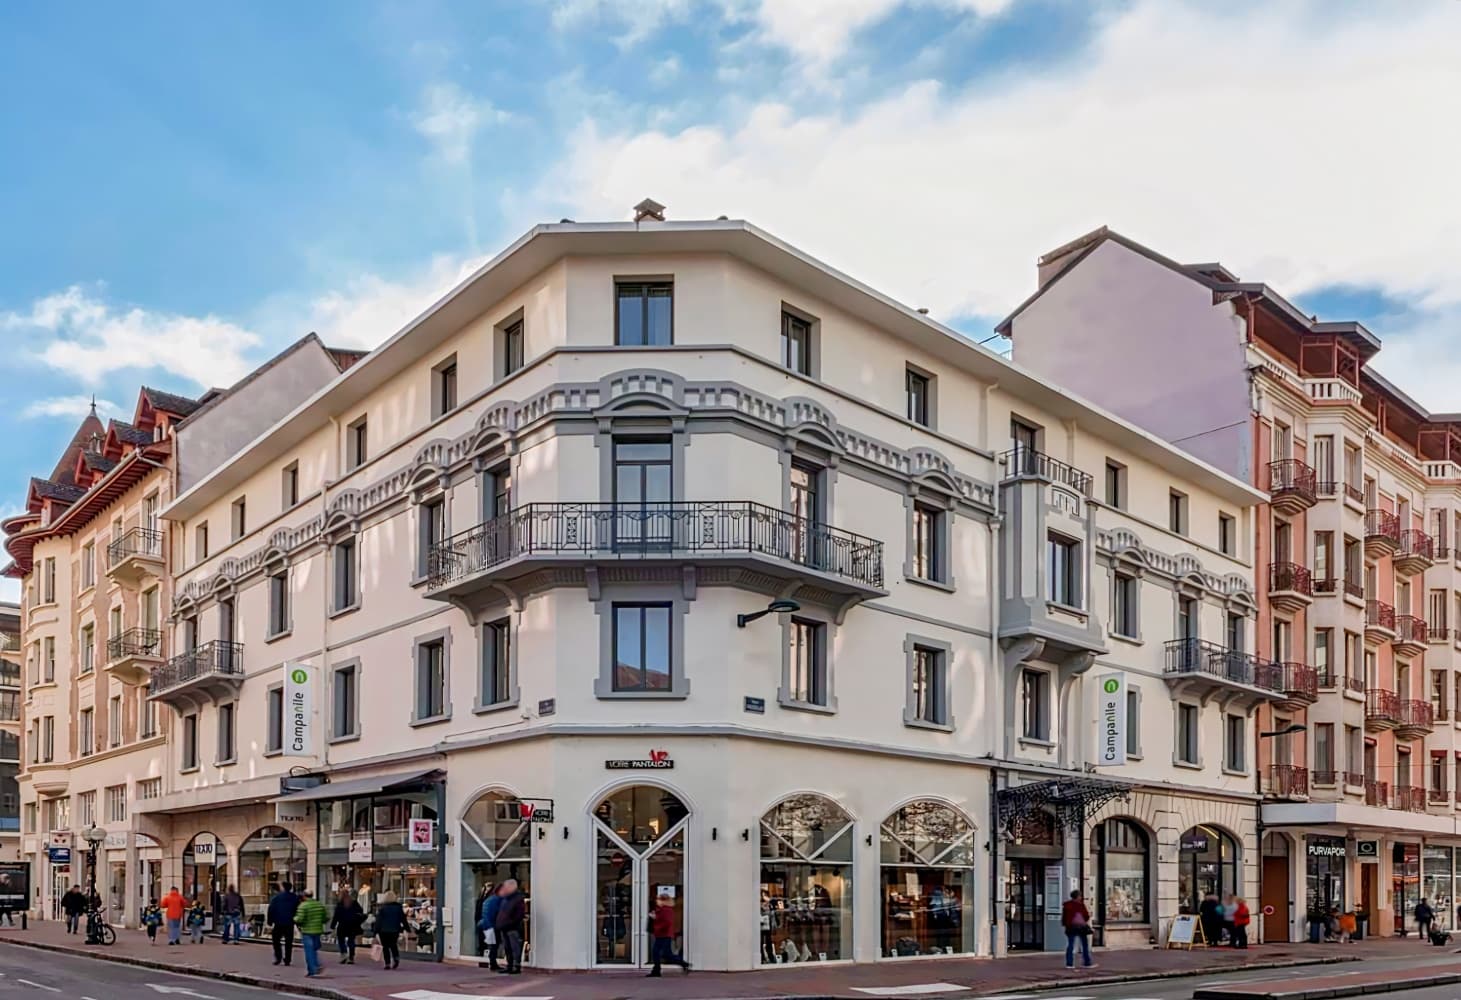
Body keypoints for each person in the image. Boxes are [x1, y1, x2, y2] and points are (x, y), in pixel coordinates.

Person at [645, 892, 690, 977]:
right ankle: (683, 964)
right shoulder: (662, 909)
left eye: (658, 899)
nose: (657, 901)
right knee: (664, 953)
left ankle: (657, 970)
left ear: (663, 901)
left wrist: (655, 920)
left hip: (664, 934)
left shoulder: (666, 910)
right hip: (662, 934)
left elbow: (667, 922)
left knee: (660, 953)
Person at [494, 879, 526, 975]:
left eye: (506, 887)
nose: (504, 889)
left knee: (514, 947)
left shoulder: (518, 899)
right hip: (504, 927)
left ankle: (516, 966)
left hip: (512, 928)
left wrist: (510, 923)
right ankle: (509, 965)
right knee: (507, 948)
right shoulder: (505, 899)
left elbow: (519, 915)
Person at [294, 889, 329, 978]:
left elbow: (300, 919)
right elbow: (326, 917)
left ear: (304, 896)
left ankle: (314, 968)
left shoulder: (303, 906)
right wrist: (320, 921)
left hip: (307, 931)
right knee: (314, 949)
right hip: (317, 931)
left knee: (309, 951)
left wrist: (294, 919)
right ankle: (314, 967)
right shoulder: (319, 904)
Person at [267, 881, 300, 966]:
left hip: (278, 922)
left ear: (283, 887)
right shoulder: (295, 897)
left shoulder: (276, 898)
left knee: (276, 941)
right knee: (288, 942)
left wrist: (270, 921)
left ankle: (278, 957)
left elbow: (271, 909)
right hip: (289, 923)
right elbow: (298, 910)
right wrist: (297, 921)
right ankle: (287, 959)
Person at [1061, 889, 1094, 969]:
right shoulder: (1080, 905)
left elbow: (1064, 917)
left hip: (1070, 927)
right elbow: (1086, 916)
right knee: (1084, 945)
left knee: (1070, 945)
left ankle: (1069, 963)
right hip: (1081, 927)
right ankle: (1087, 962)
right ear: (1078, 897)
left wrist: (1065, 924)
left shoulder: (1067, 905)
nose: (1081, 897)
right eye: (1080, 896)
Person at [331, 888, 365, 964]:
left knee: (341, 940)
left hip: (342, 925)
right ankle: (351, 957)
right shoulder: (354, 903)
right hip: (352, 925)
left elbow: (336, 916)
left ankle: (343, 954)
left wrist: (333, 926)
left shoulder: (340, 904)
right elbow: (360, 911)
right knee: (351, 941)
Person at [374, 891, 406, 970]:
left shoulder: (382, 908)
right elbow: (403, 918)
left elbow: (379, 920)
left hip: (383, 930)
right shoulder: (398, 908)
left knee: (385, 947)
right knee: (393, 945)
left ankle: (387, 963)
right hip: (395, 930)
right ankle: (396, 958)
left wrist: (375, 931)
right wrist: (406, 927)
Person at [477, 883, 503, 971]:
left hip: (485, 924)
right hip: (492, 925)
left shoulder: (488, 900)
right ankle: (493, 964)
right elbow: (499, 912)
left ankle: (492, 963)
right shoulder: (497, 900)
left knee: (492, 945)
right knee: (494, 945)